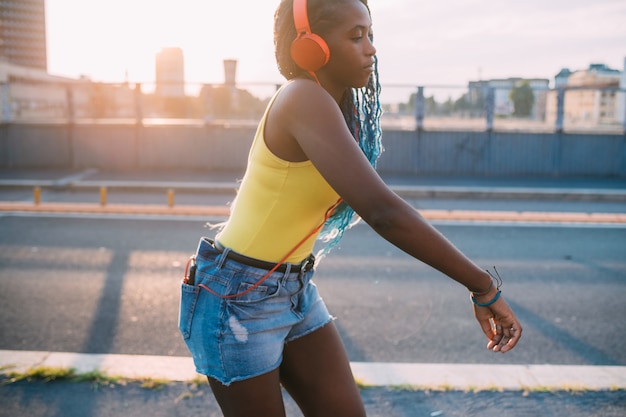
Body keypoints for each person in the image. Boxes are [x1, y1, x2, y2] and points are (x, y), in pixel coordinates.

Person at [178, 0, 523, 416]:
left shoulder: (336, 108)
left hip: (292, 288)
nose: (371, 49)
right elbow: (384, 212)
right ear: (311, 48)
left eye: (371, 35)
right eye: (356, 36)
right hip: (237, 295)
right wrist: (482, 286)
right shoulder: (302, 98)